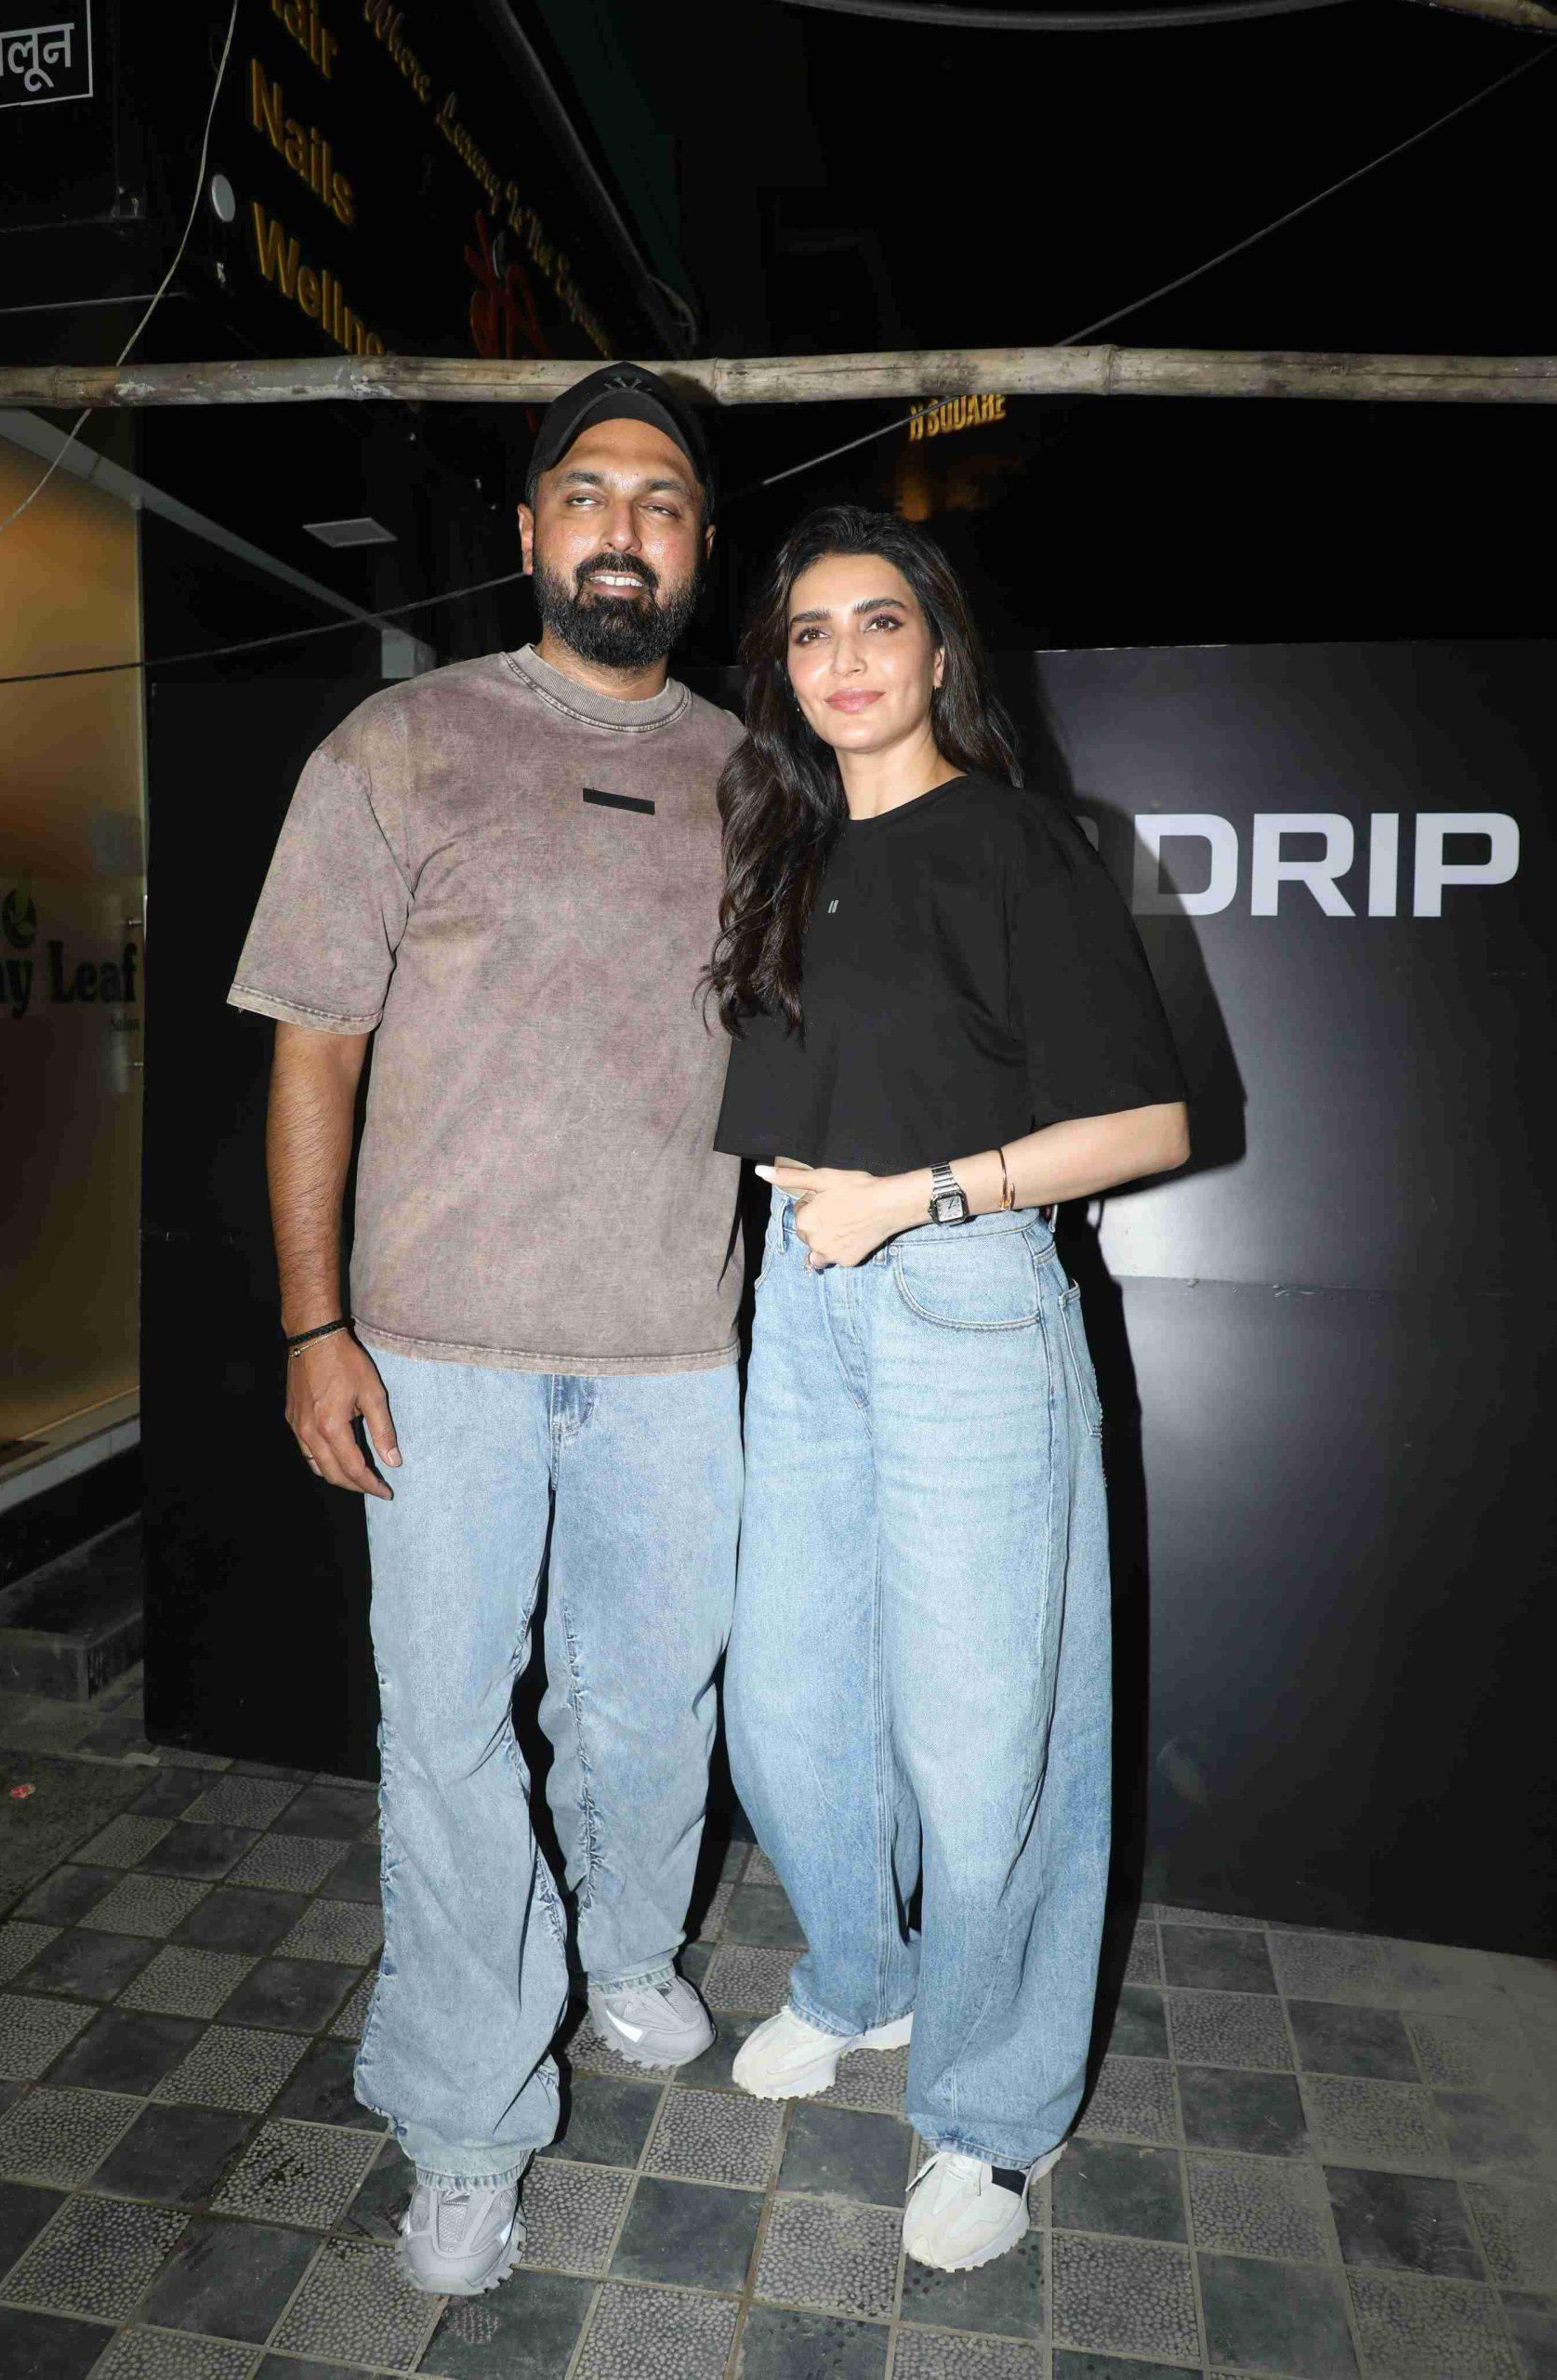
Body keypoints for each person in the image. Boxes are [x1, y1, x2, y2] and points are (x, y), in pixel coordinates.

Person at [228, 365, 745, 2295]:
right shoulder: (400, 744)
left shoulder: (760, 779)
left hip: (679, 1347)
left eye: (661, 500)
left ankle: (624, 1947)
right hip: (435, 1350)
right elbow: (314, 1048)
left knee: (652, 1707)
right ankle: (463, 2118)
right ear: (528, 531)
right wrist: (314, 1322)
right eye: (587, 492)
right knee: (447, 1735)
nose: (622, 527)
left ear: (699, 549)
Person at [708, 503, 1190, 2274]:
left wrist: (920, 1198)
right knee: (788, 1708)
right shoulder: (784, 853)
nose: (843, 658)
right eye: (810, 631)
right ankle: (863, 1977)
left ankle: (987, 2114)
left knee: (989, 1749)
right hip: (802, 1309)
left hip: (963, 1304)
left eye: (878, 622)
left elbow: (1148, 1124)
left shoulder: (1017, 841)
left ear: (936, 652)